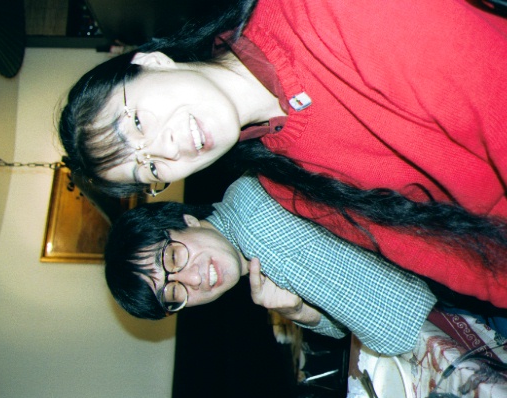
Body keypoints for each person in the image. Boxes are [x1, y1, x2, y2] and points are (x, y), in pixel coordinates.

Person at [59, 0, 507, 307]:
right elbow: (454, 259)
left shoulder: (317, 13)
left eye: (137, 123)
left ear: (152, 63)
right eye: (151, 168)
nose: (166, 149)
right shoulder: (283, 182)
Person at [105, 174, 436, 356]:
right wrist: (298, 312)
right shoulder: (239, 198)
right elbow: (344, 320)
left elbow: (399, 325)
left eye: (173, 257)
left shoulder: (255, 227)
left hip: (444, 278)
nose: (192, 279)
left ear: (185, 220)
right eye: (174, 293)